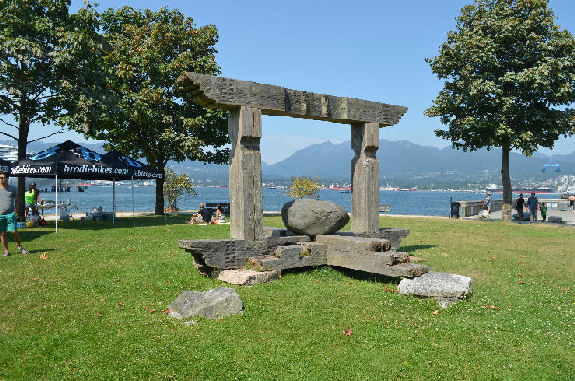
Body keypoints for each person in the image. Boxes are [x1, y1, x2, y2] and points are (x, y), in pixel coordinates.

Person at [0, 172, 29, 256]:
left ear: (7, 178)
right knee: (2, 233)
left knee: (13, 231)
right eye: (0, 178)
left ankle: (19, 246)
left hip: (10, 214)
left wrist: (16, 210)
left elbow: (17, 200)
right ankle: (6, 251)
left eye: (3, 178)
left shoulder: (13, 189)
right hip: (0, 215)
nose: (1, 179)